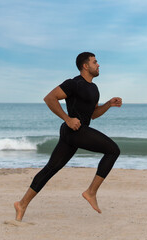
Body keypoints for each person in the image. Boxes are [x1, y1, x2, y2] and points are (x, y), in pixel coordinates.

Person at [14, 52, 122, 221]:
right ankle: (91, 192)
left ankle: (22, 204)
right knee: (113, 150)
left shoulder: (94, 88)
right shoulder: (73, 84)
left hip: (77, 132)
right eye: (95, 62)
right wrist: (67, 118)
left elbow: (93, 114)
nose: (98, 65)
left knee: (51, 168)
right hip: (73, 131)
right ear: (85, 66)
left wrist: (108, 104)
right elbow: (50, 98)